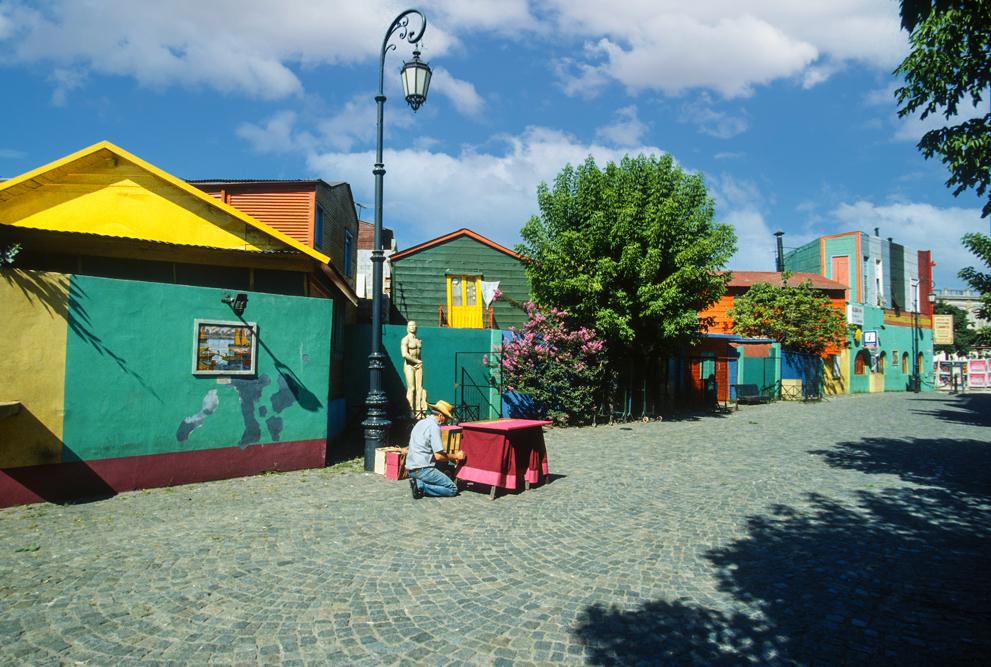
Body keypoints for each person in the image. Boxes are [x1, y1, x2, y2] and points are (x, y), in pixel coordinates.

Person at [406, 400, 466, 499]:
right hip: (423, 470)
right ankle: (421, 486)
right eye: (446, 417)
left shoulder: (421, 422)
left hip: (411, 469)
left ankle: (419, 482)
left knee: (441, 465)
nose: (446, 421)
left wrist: (449, 458)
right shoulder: (434, 427)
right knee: (452, 489)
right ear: (441, 415)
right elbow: (438, 456)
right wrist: (456, 456)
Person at [401, 321, 426, 416]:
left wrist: (418, 362)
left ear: (416, 327)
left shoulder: (419, 341)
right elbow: (404, 354)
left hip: (418, 365)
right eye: (410, 326)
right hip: (409, 365)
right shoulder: (405, 340)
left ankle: (419, 411)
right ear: (407, 327)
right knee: (411, 388)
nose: (412, 327)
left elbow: (419, 354)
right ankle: (410, 411)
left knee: (420, 388)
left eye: (414, 326)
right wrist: (416, 361)